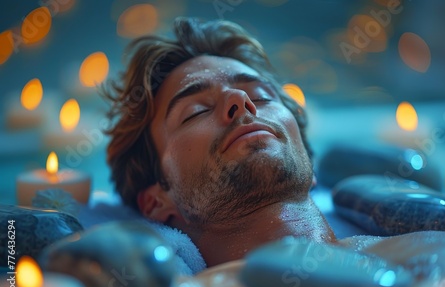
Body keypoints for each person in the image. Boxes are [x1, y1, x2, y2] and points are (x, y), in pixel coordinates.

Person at [102, 17, 336, 267]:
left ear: (309, 161)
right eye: (196, 111)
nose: (241, 99)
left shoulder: (381, 250)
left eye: (262, 96)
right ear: (156, 200)